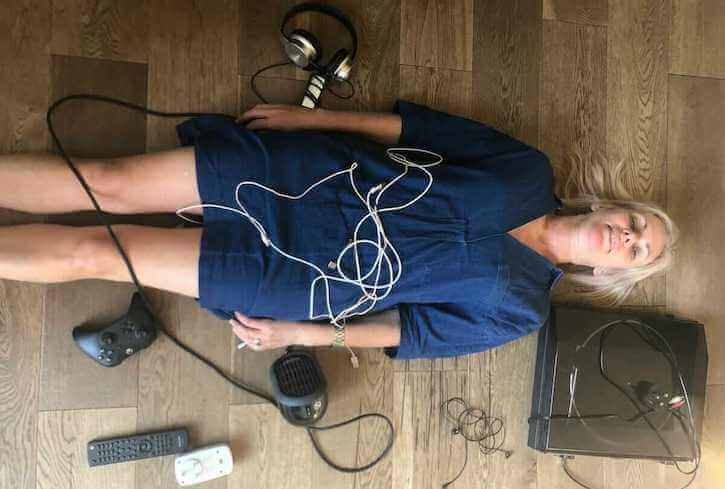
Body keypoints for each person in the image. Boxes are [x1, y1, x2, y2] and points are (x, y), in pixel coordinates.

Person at [0, 101, 676, 359]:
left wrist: (301, 334)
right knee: (108, 180)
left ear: (611, 272)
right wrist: (311, 120)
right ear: (611, 207)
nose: (629, 237)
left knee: (104, 250)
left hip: (307, 278)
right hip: (312, 172)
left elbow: (411, 330)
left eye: (638, 251)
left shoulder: (522, 308)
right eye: (636, 223)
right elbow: (423, 131)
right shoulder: (528, 171)